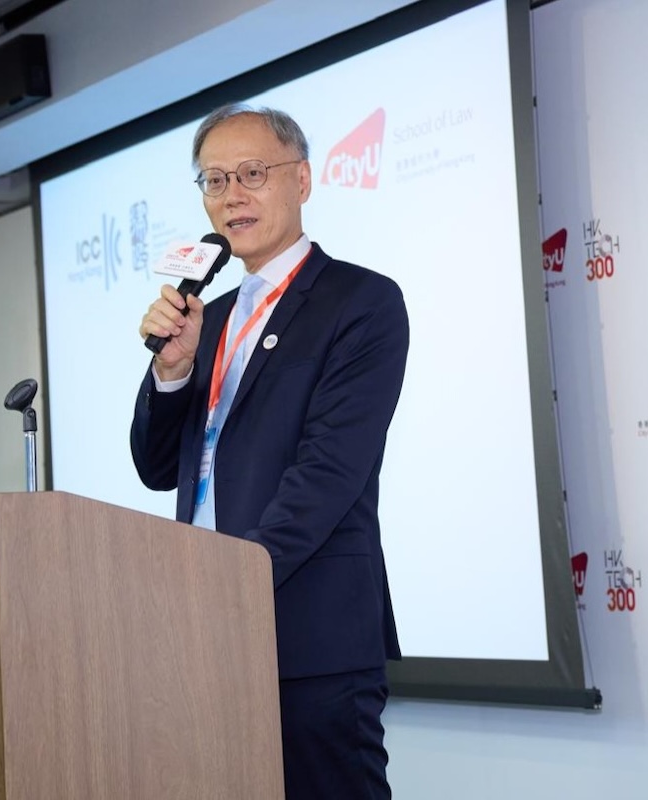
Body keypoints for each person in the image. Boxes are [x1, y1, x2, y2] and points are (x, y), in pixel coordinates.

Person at [131, 102, 408, 799]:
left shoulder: (360, 302)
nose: (232, 195)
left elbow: (330, 470)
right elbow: (157, 466)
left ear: (304, 180)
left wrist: (234, 584)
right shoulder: (209, 316)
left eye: (252, 173)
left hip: (306, 630)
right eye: (215, 180)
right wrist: (171, 373)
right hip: (199, 630)